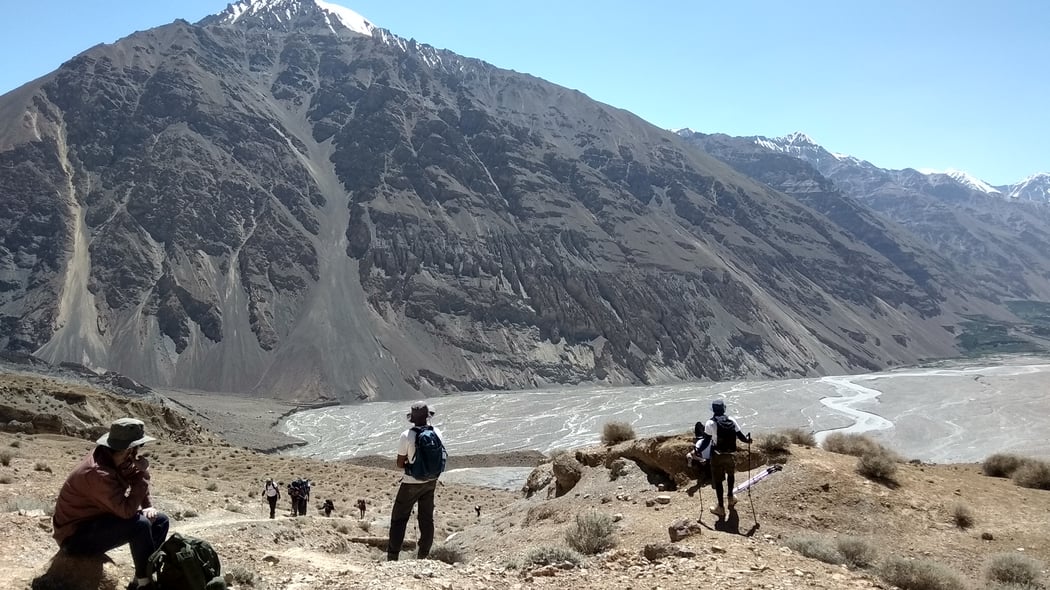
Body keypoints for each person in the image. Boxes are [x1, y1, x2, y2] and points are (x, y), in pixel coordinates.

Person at [52, 418, 169, 590]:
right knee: (140, 525)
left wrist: (147, 505)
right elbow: (127, 511)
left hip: (94, 523)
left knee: (160, 521)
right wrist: (144, 474)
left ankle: (141, 578)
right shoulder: (98, 472)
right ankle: (145, 585)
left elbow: (134, 476)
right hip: (74, 537)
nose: (137, 452)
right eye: (136, 447)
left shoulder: (112, 456)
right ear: (128, 449)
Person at [387, 401, 443, 561]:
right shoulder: (437, 432)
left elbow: (399, 463)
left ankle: (392, 558)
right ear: (428, 416)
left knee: (399, 519)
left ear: (412, 418)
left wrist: (409, 463)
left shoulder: (407, 435)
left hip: (411, 482)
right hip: (431, 481)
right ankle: (423, 556)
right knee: (426, 519)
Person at [695, 400, 752, 518]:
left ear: (713, 410)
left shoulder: (710, 423)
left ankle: (720, 507)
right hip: (730, 454)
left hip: (717, 455)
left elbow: (706, 441)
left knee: (718, 480)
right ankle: (731, 498)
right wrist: (748, 440)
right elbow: (741, 436)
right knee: (731, 475)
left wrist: (698, 450)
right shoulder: (731, 420)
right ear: (724, 409)